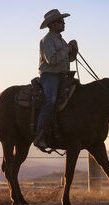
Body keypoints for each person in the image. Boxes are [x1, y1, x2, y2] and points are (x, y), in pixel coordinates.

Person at [34, 9, 78, 149]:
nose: (63, 23)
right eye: (60, 21)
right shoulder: (46, 40)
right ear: (51, 24)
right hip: (50, 76)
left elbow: (69, 59)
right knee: (51, 100)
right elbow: (52, 60)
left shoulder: (61, 40)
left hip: (62, 75)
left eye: (63, 21)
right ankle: (39, 134)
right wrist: (66, 49)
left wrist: (73, 50)